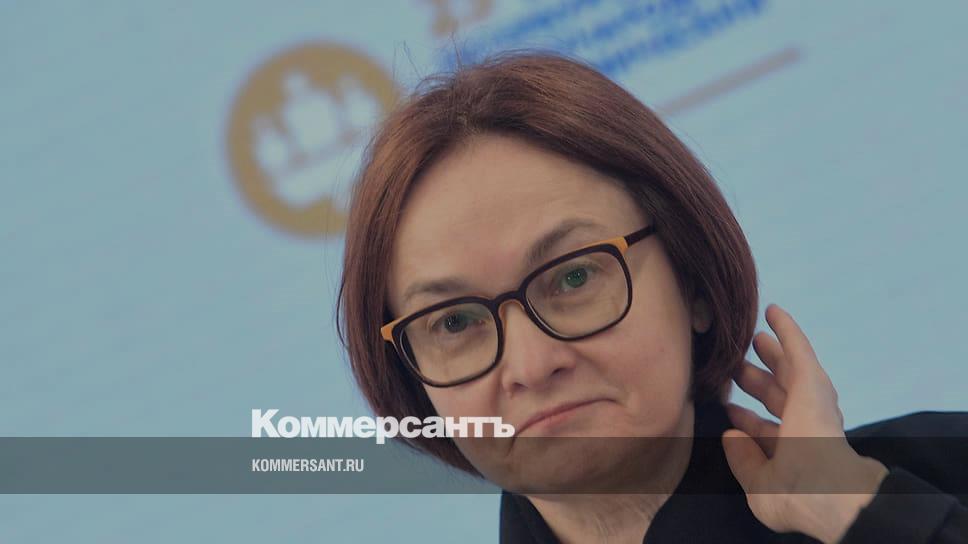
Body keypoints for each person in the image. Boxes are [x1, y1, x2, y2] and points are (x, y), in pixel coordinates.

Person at [336, 51, 968, 543]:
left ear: (692, 282)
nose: (531, 364)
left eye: (574, 277)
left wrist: (863, 517)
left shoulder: (932, 488)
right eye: (453, 322)